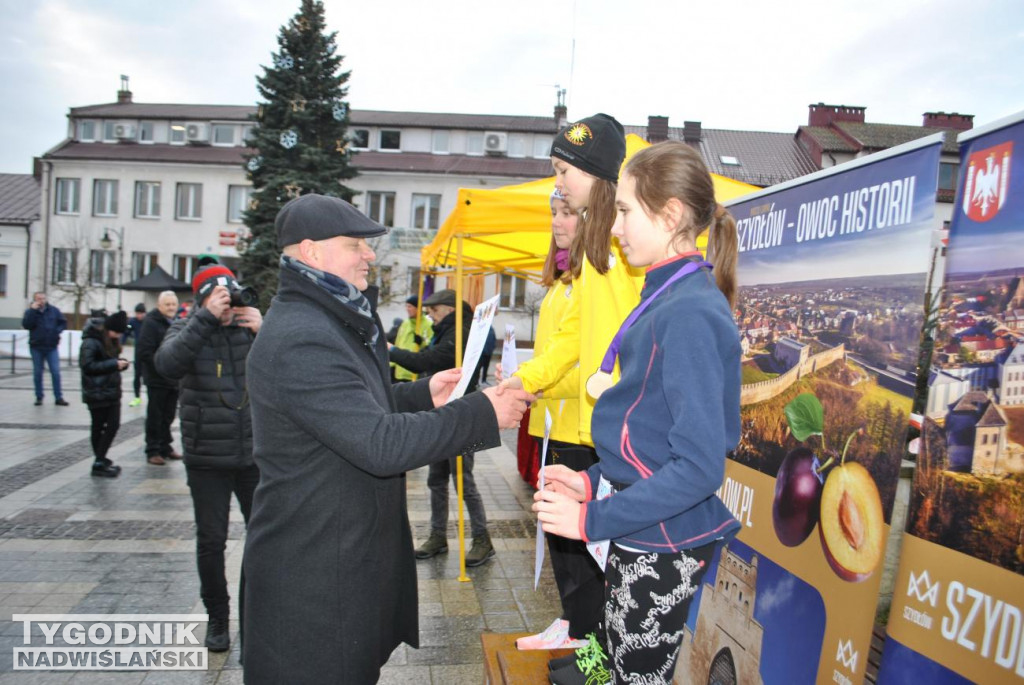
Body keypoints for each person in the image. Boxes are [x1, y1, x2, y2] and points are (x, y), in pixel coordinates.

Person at [241, 193, 534, 684]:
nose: (370, 255)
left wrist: (424, 396)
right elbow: (378, 443)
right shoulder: (302, 334)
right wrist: (482, 412)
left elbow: (349, 410)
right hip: (314, 579)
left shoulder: (329, 317)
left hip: (340, 564)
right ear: (312, 252)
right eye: (356, 244)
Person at [535, 140, 742, 685]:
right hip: (641, 530)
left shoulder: (690, 311)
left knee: (633, 677)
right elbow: (648, 437)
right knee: (601, 663)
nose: (615, 227)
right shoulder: (667, 296)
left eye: (625, 211)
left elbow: (698, 467)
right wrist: (590, 480)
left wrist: (589, 520)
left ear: (670, 215)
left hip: (659, 539)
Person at [498, 114, 645, 654]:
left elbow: (615, 343)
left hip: (616, 430)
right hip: (596, 424)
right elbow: (572, 348)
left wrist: (522, 383)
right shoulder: (597, 255)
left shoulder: (622, 246)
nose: (559, 185)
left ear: (593, 173)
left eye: (564, 172)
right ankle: (591, 650)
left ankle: (597, 654)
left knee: (606, 559)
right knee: (585, 548)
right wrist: (520, 383)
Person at [154, 265, 262, 653]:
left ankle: (258, 614)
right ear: (201, 298)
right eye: (220, 297)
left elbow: (286, 372)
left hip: (253, 455)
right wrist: (205, 317)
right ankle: (217, 617)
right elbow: (166, 365)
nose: (229, 305)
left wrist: (264, 332)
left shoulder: (249, 328)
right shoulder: (188, 325)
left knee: (264, 537)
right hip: (206, 458)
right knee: (211, 541)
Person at [515, 190, 595, 652]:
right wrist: (527, 378)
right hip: (552, 424)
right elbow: (552, 354)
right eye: (553, 213)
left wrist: (530, 384)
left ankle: (587, 637)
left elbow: (579, 362)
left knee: (578, 549)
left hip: (578, 430)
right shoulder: (563, 279)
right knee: (560, 543)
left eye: (567, 213)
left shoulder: (591, 283)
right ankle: (573, 623)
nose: (557, 222)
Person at [388, 288, 494, 566]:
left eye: (434, 312)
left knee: (463, 480)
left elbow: (428, 360)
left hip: (463, 416)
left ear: (448, 310)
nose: (431, 318)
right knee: (436, 478)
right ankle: (437, 536)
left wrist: (392, 351)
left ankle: (482, 539)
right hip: (443, 414)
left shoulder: (459, 333)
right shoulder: (447, 330)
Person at [79, 310, 129, 477]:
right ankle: (99, 461)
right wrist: (113, 364)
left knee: (113, 424)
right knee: (99, 425)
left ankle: (100, 458)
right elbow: (87, 366)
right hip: (96, 391)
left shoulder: (111, 340)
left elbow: (109, 362)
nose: (118, 336)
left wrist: (120, 364)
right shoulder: (91, 341)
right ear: (108, 329)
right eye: (116, 332)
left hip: (111, 391)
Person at [137, 291, 181, 465]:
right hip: (157, 378)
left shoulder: (175, 322)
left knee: (168, 415)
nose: (171, 308)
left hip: (172, 379)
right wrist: (162, 365)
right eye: (167, 304)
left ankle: (165, 446)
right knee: (155, 415)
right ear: (159, 306)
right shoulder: (151, 323)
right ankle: (153, 450)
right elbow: (145, 351)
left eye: (173, 304)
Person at [22, 291, 69, 406]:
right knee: (38, 372)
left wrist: (56, 331)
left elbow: (63, 322)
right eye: (38, 299)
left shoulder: (54, 310)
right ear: (34, 300)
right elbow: (27, 325)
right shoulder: (30, 312)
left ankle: (58, 397)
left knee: (55, 372)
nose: (41, 301)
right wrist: (33, 311)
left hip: (51, 346)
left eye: (43, 298)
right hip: (36, 346)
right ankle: (39, 397)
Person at [390, 295, 433, 382]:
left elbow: (431, 345)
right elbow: (398, 343)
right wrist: (391, 364)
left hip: (414, 372)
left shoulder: (428, 324)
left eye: (410, 306)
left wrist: (421, 343)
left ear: (418, 308)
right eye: (406, 306)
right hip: (399, 372)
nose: (407, 309)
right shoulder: (405, 323)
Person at [125, 303, 147, 407]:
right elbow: (127, 331)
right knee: (137, 375)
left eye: (141, 313)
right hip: (138, 351)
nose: (139, 316)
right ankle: (137, 397)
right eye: (137, 313)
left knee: (148, 375)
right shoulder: (132, 321)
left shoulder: (148, 321)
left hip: (147, 352)